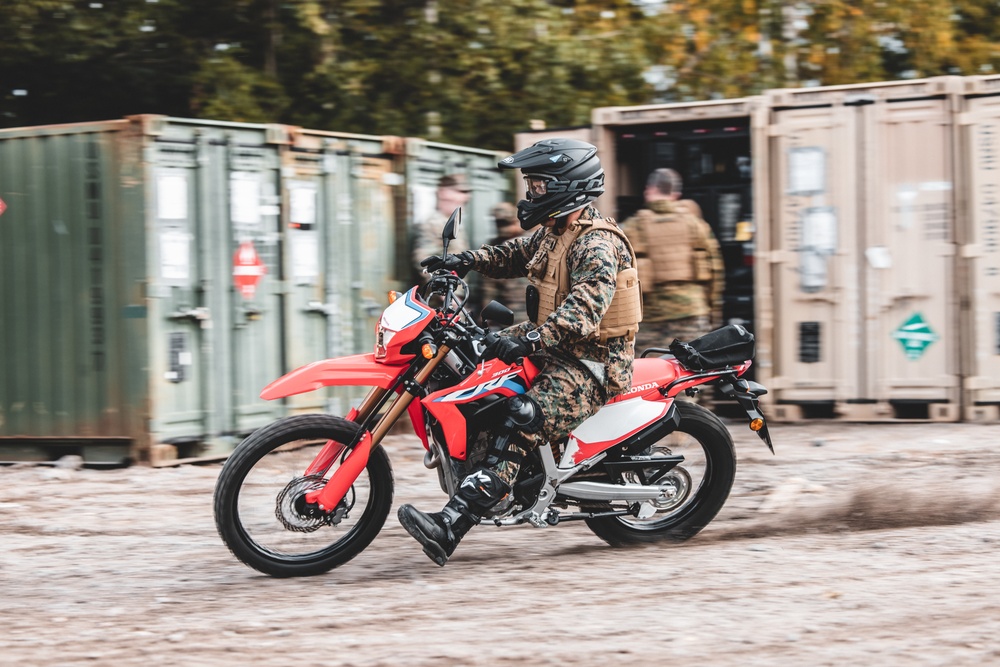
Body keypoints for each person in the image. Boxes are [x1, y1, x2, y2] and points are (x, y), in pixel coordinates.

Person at [397, 138, 642, 566]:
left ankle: (454, 523)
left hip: (590, 362)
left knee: (519, 415)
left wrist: (528, 341)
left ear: (569, 186)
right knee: (468, 360)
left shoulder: (596, 245)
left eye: (539, 187)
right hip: (552, 342)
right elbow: (515, 253)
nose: (531, 196)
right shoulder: (557, 231)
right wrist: (465, 261)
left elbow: (584, 311)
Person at [626, 168, 724, 356]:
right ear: (676, 194)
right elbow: (715, 271)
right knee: (694, 377)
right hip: (693, 313)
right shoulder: (696, 224)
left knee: (652, 378)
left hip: (653, 318)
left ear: (649, 190)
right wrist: (713, 314)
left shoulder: (633, 227)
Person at [410, 173, 472, 286]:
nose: (466, 197)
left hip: (455, 294)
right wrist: (443, 292)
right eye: (460, 192)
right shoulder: (434, 224)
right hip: (442, 297)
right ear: (444, 193)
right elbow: (424, 261)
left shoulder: (454, 223)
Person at [478, 201, 529, 322]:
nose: (504, 229)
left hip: (531, 311)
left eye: (507, 223)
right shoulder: (493, 248)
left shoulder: (529, 244)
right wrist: (485, 318)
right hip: (508, 313)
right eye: (500, 224)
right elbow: (488, 289)